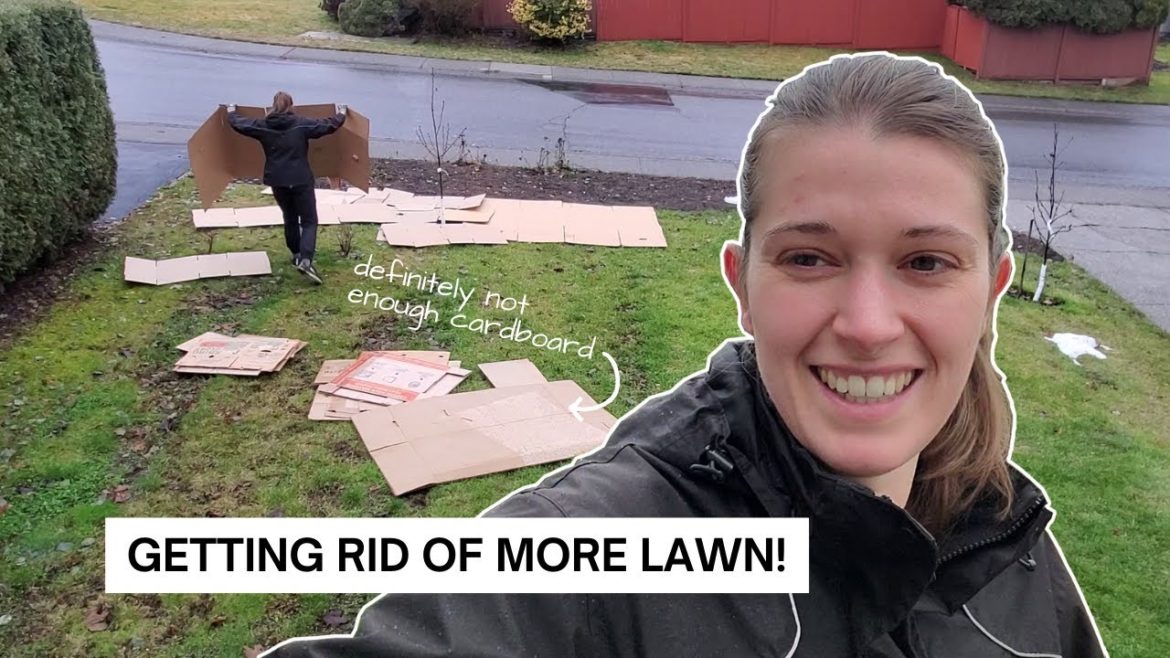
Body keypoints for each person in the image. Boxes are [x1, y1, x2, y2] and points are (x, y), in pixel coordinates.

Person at [267, 53, 1109, 657]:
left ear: (992, 285)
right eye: (809, 258)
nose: (865, 323)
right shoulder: (597, 553)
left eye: (926, 262)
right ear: (743, 285)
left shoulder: (1004, 538)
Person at [226, 91, 347, 285]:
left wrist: (231, 111)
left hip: (278, 180)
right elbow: (328, 125)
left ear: (273, 105)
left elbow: (240, 124)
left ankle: (297, 254)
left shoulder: (263, 126)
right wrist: (341, 113)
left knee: (289, 217)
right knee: (309, 220)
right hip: (300, 179)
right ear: (291, 105)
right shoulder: (301, 124)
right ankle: (306, 260)